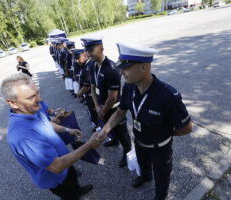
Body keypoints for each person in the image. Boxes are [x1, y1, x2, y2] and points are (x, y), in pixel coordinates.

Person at [97, 43, 193, 200]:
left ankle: (160, 196)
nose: (121, 73)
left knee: (162, 178)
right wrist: (106, 129)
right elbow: (120, 112)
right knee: (143, 166)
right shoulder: (129, 88)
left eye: (126, 68)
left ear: (144, 67)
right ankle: (145, 177)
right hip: (140, 143)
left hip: (160, 149)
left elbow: (187, 128)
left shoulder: (168, 96)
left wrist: (165, 134)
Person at [0, 73, 104, 200]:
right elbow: (57, 166)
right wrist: (89, 145)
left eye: (38, 93)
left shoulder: (31, 110)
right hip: (57, 178)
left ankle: (78, 190)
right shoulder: (23, 135)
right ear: (13, 103)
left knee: (73, 179)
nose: (39, 99)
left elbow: (46, 123)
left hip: (65, 161)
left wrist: (67, 130)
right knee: (70, 195)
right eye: (30, 97)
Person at [81, 36, 131, 167]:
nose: (88, 53)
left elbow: (112, 98)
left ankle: (128, 152)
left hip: (114, 109)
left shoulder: (112, 69)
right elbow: (92, 86)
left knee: (123, 133)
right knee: (109, 129)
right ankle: (114, 140)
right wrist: (97, 106)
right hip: (101, 107)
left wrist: (102, 110)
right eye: (87, 50)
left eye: (91, 50)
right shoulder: (92, 65)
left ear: (101, 48)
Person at [72, 48, 98, 131]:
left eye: (78, 58)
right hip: (89, 94)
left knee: (94, 111)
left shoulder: (88, 67)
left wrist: (79, 93)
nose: (76, 61)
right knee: (92, 111)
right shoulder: (85, 65)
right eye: (75, 59)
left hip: (91, 94)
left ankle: (98, 126)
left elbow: (87, 86)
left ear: (85, 56)